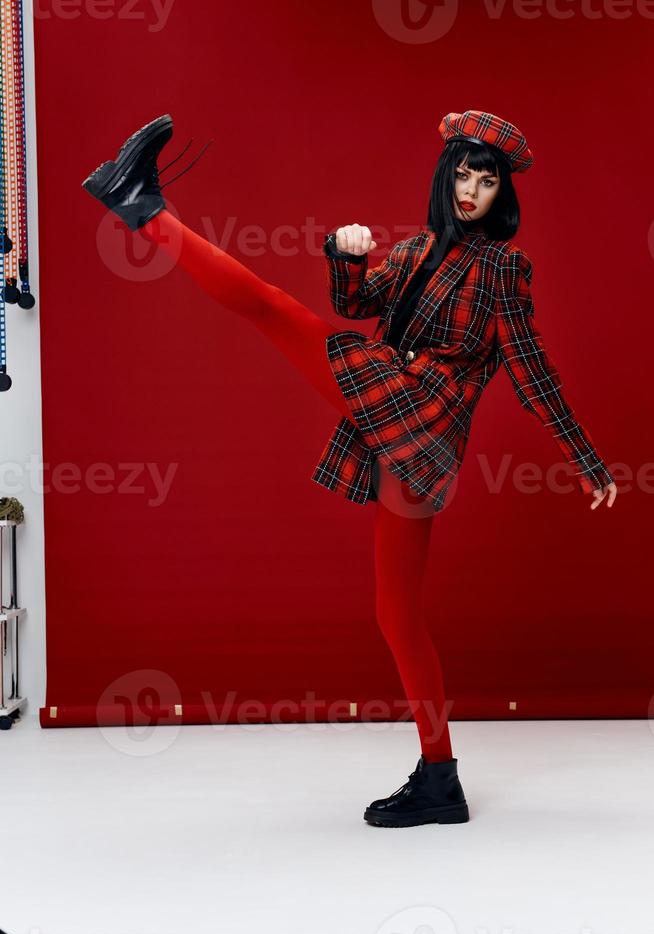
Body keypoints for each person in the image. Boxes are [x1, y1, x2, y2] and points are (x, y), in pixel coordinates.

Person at [82, 110, 617, 829]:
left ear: (502, 195)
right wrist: (345, 252)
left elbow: (532, 372)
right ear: (446, 176)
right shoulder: (420, 248)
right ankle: (440, 779)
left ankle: (142, 208)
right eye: (463, 173)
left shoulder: (503, 271)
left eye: (486, 180)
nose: (471, 189)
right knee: (396, 616)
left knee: (272, 312)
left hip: (420, 421)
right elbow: (354, 304)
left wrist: (583, 459)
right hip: (401, 430)